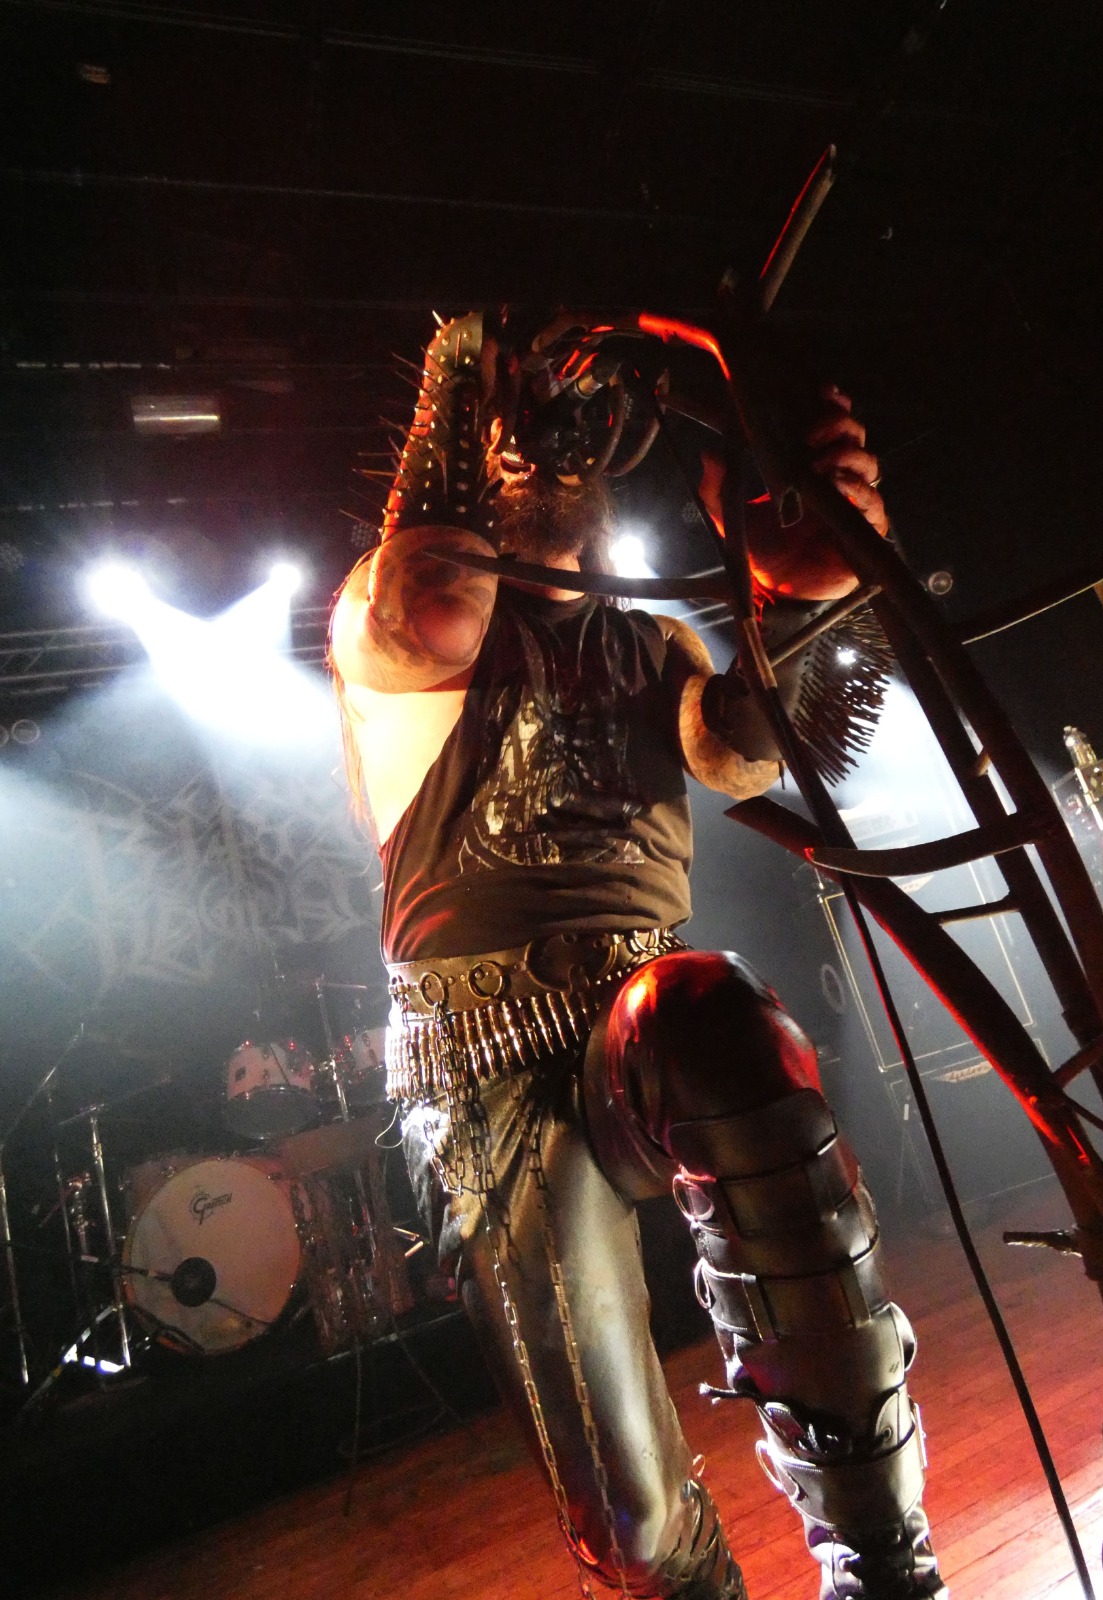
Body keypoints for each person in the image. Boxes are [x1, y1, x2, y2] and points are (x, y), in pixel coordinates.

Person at [329, 313, 945, 1600]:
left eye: (578, 426)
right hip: (485, 1060)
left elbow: (766, 750)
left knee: (709, 1006)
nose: (550, 442)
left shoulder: (654, 641)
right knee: (633, 1517)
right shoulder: (387, 618)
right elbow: (433, 602)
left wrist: (812, 586)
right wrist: (460, 363)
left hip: (644, 1032)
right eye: (517, 434)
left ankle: (886, 1567)